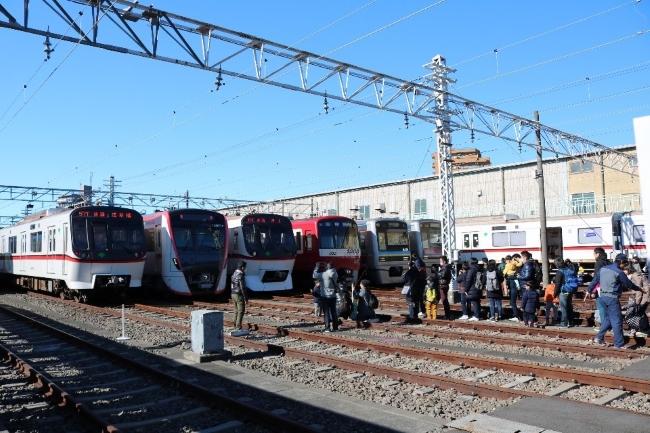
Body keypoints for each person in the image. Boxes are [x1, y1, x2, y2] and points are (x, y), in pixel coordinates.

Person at [588, 254, 641, 348]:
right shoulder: (619, 272)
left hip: (602, 297)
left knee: (608, 318)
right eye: (625, 263)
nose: (625, 265)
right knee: (617, 321)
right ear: (621, 262)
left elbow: (595, 280)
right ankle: (619, 344)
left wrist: (589, 290)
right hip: (611, 298)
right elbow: (628, 284)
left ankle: (599, 338)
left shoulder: (603, 269)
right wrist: (639, 289)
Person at [553, 257, 579, 328]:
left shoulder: (560, 272)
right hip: (571, 290)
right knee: (569, 306)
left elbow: (557, 284)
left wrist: (555, 294)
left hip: (564, 291)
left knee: (563, 307)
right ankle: (571, 322)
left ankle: (564, 323)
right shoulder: (569, 269)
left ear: (557, 264)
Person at [314, 262, 339, 332]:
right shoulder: (335, 273)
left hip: (325, 296)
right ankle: (335, 327)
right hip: (333, 296)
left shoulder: (324, 274)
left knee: (326, 312)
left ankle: (327, 328)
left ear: (327, 267)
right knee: (334, 312)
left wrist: (316, 267)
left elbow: (314, 275)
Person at [230, 261, 248, 331]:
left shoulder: (234, 274)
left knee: (236, 310)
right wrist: (245, 298)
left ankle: (234, 324)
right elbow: (242, 287)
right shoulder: (241, 275)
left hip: (233, 293)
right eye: (245, 267)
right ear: (242, 267)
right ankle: (238, 327)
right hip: (239, 294)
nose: (245, 269)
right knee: (241, 311)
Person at [504, 254, 522, 321]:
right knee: (513, 302)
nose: (506, 262)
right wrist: (517, 260)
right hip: (514, 282)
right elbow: (519, 264)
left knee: (512, 302)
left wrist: (502, 274)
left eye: (506, 260)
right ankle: (517, 315)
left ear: (508, 260)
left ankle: (516, 316)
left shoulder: (508, 265)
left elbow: (504, 272)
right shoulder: (514, 263)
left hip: (512, 283)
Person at [437, 256, 453, 320]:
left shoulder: (445, 268)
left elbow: (442, 275)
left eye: (441, 261)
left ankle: (447, 315)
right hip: (442, 285)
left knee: (444, 300)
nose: (440, 262)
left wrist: (437, 272)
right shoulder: (445, 267)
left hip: (443, 285)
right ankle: (447, 314)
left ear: (444, 262)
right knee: (443, 300)